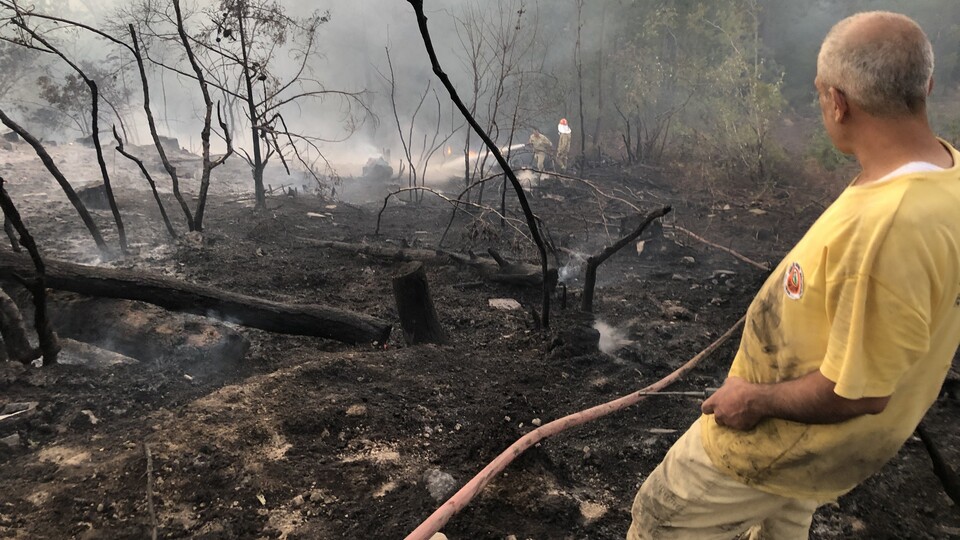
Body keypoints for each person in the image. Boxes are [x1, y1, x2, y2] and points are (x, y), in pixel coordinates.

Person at [628, 11, 960, 540]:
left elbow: (858, 393)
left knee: (659, 520)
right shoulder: (946, 172)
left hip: (775, 442)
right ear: (926, 86)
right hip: (807, 461)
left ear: (838, 102)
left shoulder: (890, 226)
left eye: (819, 94)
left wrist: (751, 399)